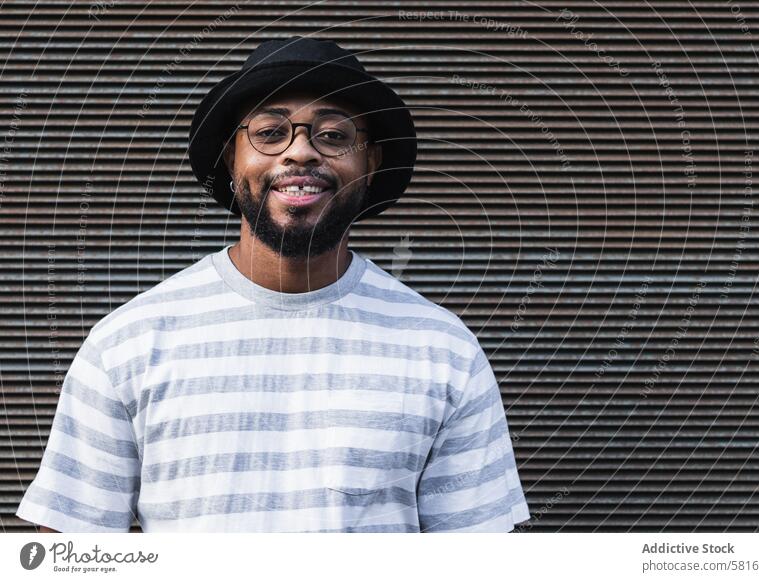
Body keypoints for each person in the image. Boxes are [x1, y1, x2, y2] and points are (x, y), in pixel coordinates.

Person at [17, 36, 530, 533]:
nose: (300, 153)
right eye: (269, 132)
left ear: (370, 163)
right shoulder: (128, 342)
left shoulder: (442, 348)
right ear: (230, 158)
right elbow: (70, 554)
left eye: (333, 135)